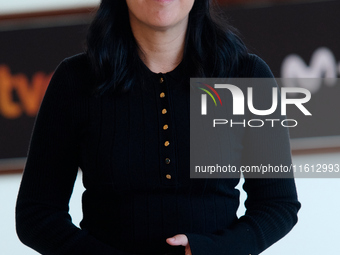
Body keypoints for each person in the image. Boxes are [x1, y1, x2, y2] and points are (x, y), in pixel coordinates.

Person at [16, 0, 301, 254]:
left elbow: (277, 205)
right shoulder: (75, 80)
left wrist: (212, 250)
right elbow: (37, 214)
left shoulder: (245, 75)